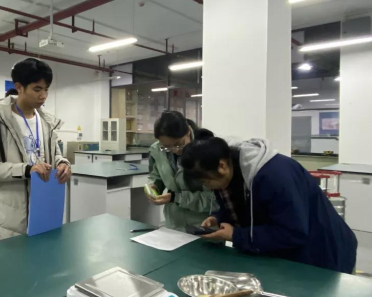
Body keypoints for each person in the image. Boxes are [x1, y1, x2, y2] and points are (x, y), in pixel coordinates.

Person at [181, 131, 358, 273]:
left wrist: (236, 235)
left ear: (222, 166)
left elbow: (292, 232)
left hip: (323, 255)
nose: (208, 187)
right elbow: (240, 205)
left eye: (206, 182)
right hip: (287, 256)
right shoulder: (230, 172)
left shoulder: (275, 176)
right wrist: (218, 217)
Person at [0, 58, 72, 242]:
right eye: (37, 89)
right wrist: (25, 170)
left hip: (44, 209)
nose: (43, 96)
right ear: (19, 87)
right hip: (9, 215)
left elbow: (53, 152)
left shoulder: (46, 121)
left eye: (46, 89)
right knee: (11, 260)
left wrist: (62, 163)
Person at [147, 111, 217, 231]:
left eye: (179, 144)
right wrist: (154, 187)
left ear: (188, 131)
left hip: (202, 225)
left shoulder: (206, 151)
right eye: (166, 147)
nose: (174, 150)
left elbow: (214, 200)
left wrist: (176, 197)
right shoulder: (157, 150)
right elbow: (156, 175)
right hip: (174, 224)